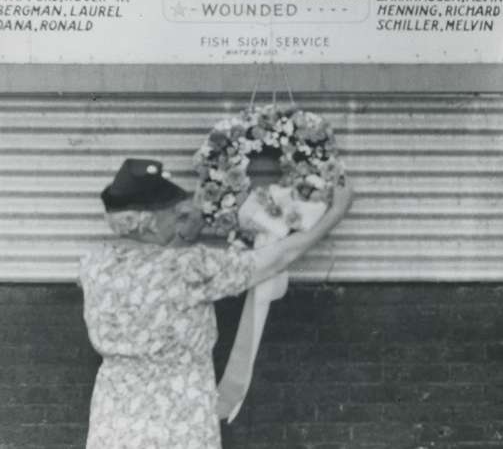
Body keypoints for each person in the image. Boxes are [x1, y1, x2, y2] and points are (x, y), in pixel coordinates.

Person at [79, 157, 353, 449]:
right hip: (179, 410)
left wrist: (186, 232)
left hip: (115, 411)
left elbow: (151, 269)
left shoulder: (94, 264)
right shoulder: (191, 266)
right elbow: (277, 258)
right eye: (171, 212)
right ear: (148, 222)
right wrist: (334, 213)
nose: (178, 215)